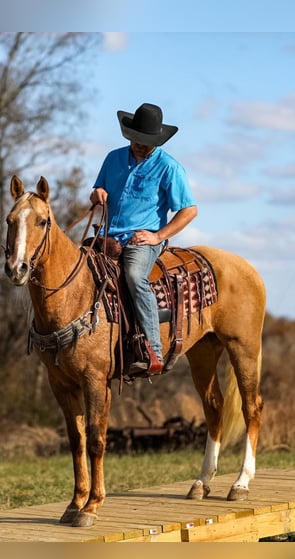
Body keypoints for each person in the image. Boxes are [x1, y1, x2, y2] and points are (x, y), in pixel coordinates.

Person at [90, 103, 197, 376]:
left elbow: (189, 210)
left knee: (135, 277)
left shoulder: (169, 168)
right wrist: (98, 193)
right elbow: (99, 189)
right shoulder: (113, 159)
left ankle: (152, 350)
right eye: (136, 140)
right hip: (107, 236)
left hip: (142, 240)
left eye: (146, 142)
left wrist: (158, 236)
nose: (140, 145)